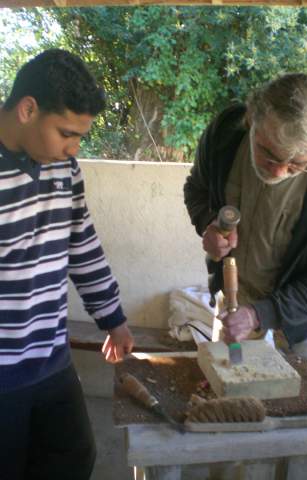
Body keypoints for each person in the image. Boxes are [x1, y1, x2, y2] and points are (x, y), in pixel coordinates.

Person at [0, 49, 134, 480]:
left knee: (73, 459)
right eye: (65, 133)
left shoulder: (66, 170)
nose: (74, 147)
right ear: (27, 109)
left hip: (51, 357)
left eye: (80, 137)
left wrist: (113, 318)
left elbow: (82, 246)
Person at [184, 72, 307, 373]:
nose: (279, 172)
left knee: (298, 400)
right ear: (251, 119)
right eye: (268, 154)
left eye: (298, 164)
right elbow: (196, 189)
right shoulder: (225, 133)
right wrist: (208, 223)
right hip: (234, 301)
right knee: (226, 393)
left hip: (302, 314)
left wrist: (258, 315)